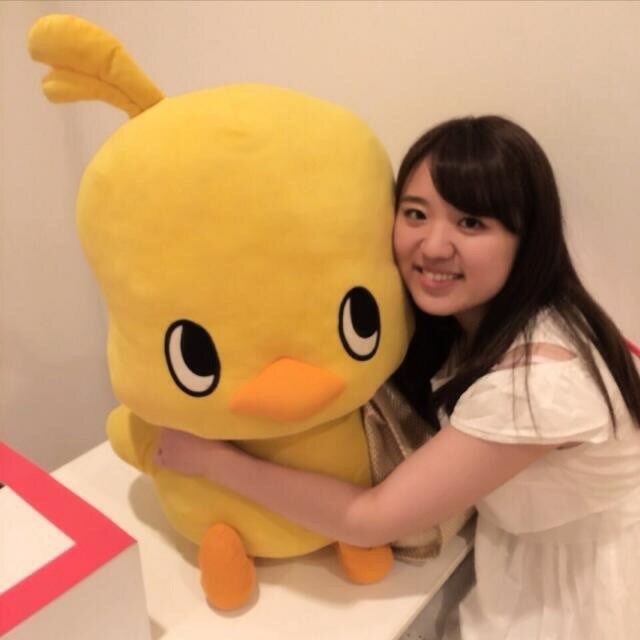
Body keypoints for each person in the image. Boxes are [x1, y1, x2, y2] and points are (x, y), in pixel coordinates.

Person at [154, 115, 640, 639]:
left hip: (585, 582)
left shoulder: (538, 384)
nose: (433, 246)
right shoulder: (488, 318)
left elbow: (371, 518)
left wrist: (211, 460)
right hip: (525, 547)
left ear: (527, 239)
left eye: (471, 223)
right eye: (415, 214)